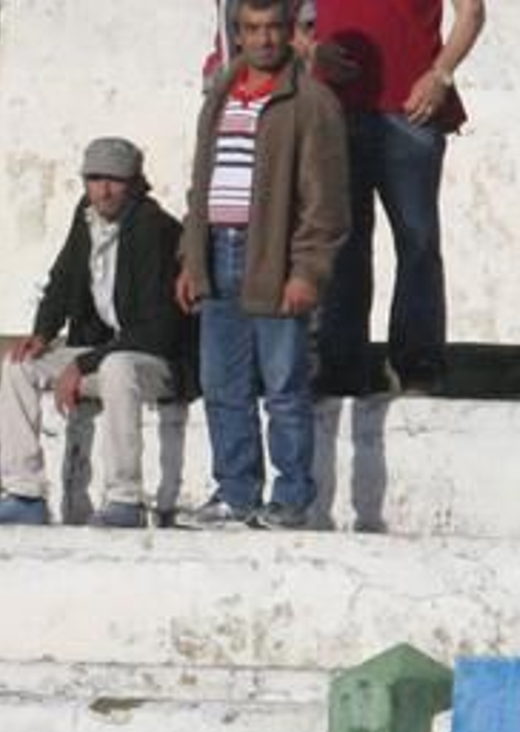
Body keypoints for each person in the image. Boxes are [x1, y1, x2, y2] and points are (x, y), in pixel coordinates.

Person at [0, 137, 193, 530]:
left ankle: (125, 499)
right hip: (104, 353)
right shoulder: (87, 217)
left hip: (156, 362)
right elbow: (64, 277)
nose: (103, 189)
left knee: (118, 367)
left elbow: (157, 330)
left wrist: (82, 364)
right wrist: (43, 333)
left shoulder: (154, 229)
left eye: (115, 180)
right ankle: (24, 494)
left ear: (135, 183)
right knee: (18, 365)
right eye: (95, 178)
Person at [176, 0, 349, 531]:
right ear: (239, 33)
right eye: (253, 29)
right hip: (216, 255)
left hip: (272, 256)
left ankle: (292, 498)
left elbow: (327, 201)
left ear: (290, 31)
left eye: (274, 27)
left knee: (284, 387)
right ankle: (235, 492)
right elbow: (200, 184)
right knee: (223, 386)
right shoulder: (220, 97)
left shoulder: (311, 102)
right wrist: (190, 258)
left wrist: (308, 271)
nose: (265, 39)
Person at [310, 0, 486, 395]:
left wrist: (440, 76)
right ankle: (340, 365)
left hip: (411, 110)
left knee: (417, 239)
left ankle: (418, 363)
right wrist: (311, 49)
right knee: (342, 244)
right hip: (334, 108)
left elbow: (471, 11)